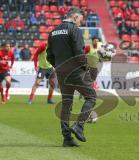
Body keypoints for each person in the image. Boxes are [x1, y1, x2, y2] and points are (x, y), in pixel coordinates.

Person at [46, 7, 96, 147]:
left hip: (61, 72)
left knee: (66, 103)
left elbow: (49, 55)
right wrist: (86, 67)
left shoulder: (53, 32)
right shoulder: (74, 30)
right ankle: (78, 126)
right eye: (80, 19)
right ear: (74, 17)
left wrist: (59, 66)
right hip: (75, 71)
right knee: (91, 97)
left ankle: (67, 138)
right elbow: (79, 53)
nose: (81, 22)